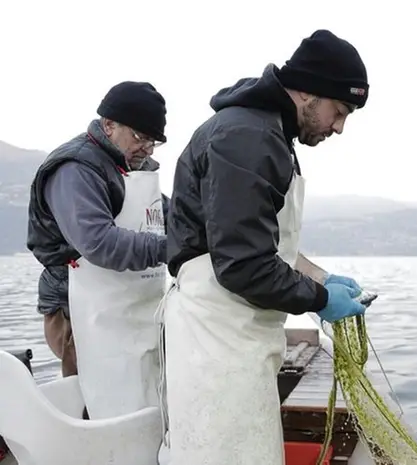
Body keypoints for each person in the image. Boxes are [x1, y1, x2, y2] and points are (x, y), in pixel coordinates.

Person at [160, 29, 370, 464]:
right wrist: (318, 298)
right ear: (309, 91)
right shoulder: (247, 138)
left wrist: (322, 277)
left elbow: (268, 247)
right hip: (215, 339)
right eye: (340, 110)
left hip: (238, 336)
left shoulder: (269, 135)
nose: (339, 127)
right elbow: (243, 264)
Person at [26, 81, 170, 420]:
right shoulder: (75, 168)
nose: (147, 149)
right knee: (91, 401)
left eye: (154, 141)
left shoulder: (133, 167)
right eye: (140, 137)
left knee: (139, 398)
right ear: (109, 125)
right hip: (77, 307)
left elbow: (168, 216)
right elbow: (98, 243)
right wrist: (171, 247)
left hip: (130, 303)